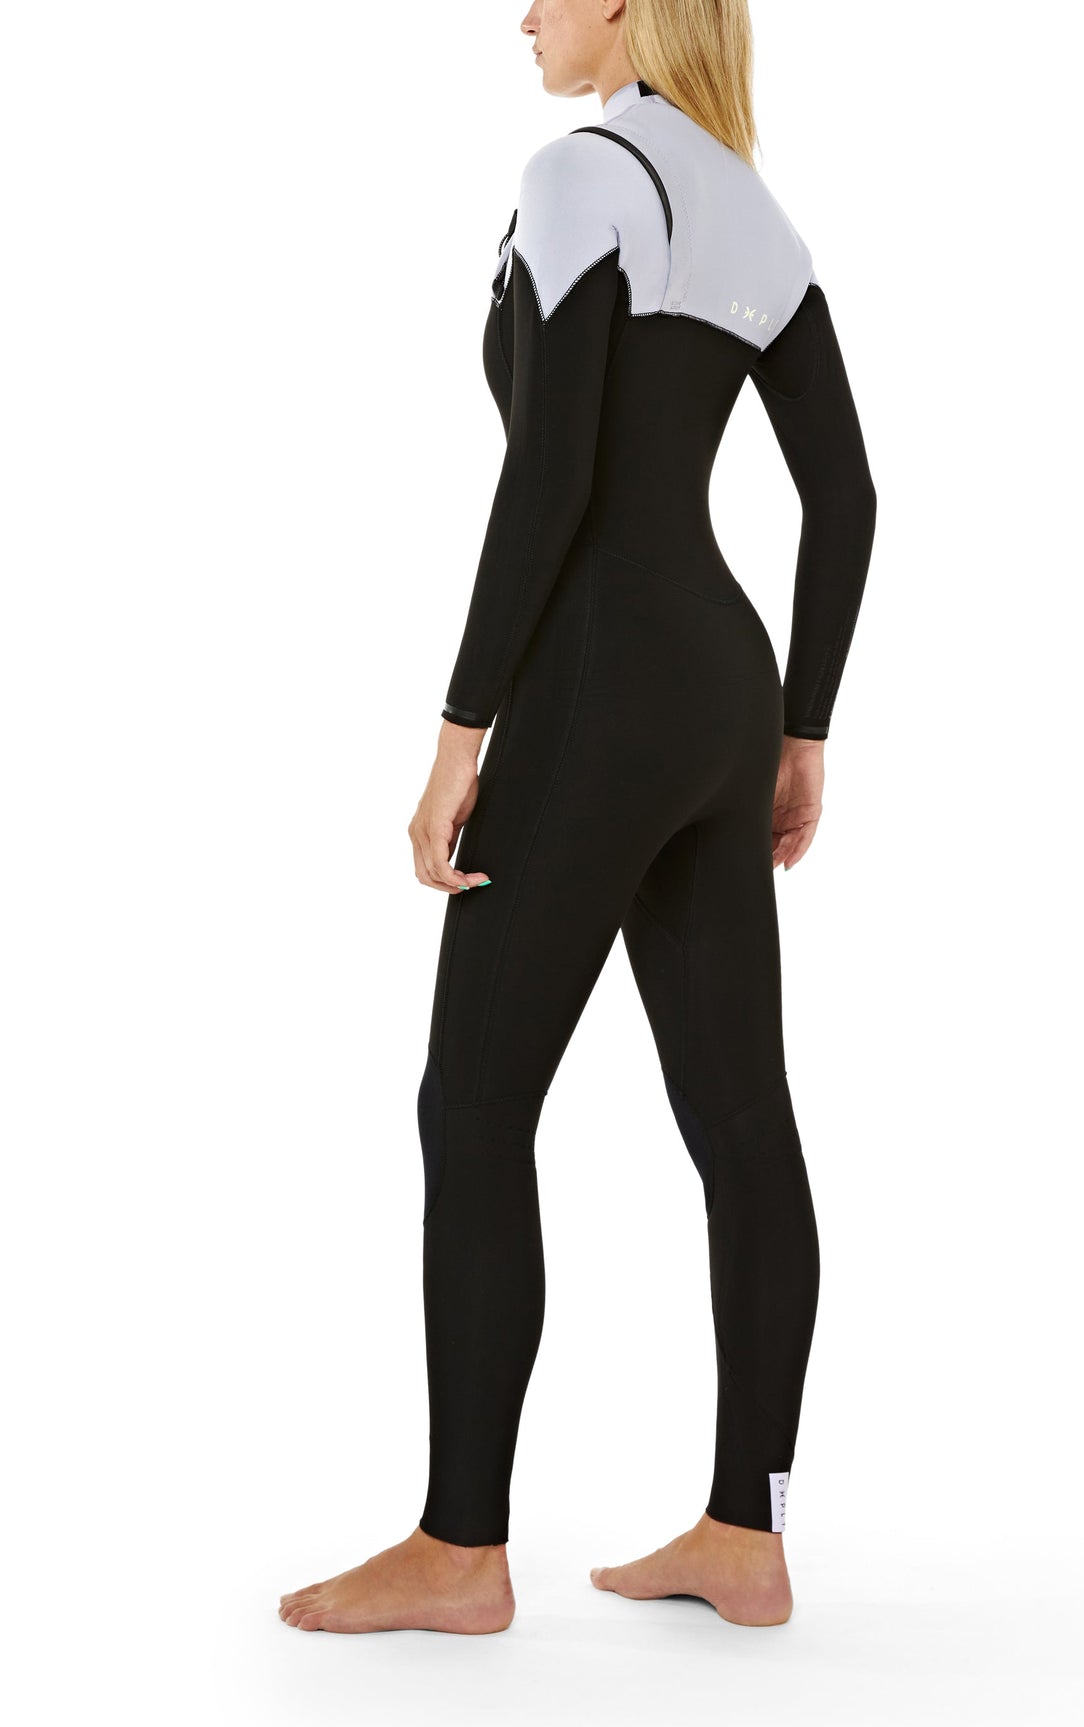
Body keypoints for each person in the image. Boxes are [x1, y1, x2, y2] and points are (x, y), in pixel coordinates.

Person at [279, 0, 875, 1636]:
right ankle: (746, 1531)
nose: (526, 16)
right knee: (742, 1119)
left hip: (601, 689)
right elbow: (846, 494)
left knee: (473, 1106)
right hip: (721, 696)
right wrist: (802, 727)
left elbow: (548, 482)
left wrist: (459, 737)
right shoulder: (755, 210)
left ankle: (461, 1550)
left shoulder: (579, 176)